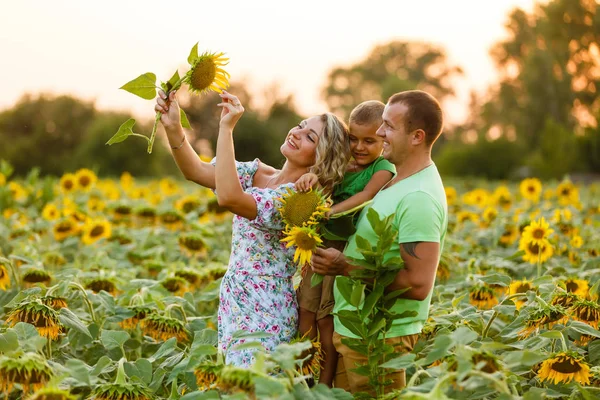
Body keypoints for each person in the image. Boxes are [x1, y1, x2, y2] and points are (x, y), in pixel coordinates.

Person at [155, 89, 350, 367]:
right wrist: (173, 126)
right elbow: (196, 171)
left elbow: (229, 197)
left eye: (310, 137)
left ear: (321, 157)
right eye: (300, 126)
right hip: (236, 302)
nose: (296, 133)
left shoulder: (298, 201)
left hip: (266, 312)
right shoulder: (258, 172)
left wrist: (226, 128)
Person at [310, 90, 448, 394]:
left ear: (417, 136)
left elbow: (417, 284)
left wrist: (345, 267)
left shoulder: (418, 197)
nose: (380, 132)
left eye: (388, 126)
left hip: (381, 337)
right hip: (358, 330)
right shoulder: (398, 179)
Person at [294, 100, 395, 386]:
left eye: (369, 141)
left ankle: (324, 384)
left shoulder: (383, 167)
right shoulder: (346, 163)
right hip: (317, 245)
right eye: (353, 139)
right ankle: (302, 378)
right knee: (305, 310)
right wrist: (313, 177)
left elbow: (365, 196)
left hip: (340, 250)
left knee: (326, 319)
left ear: (383, 139)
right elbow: (324, 176)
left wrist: (330, 211)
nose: (360, 147)